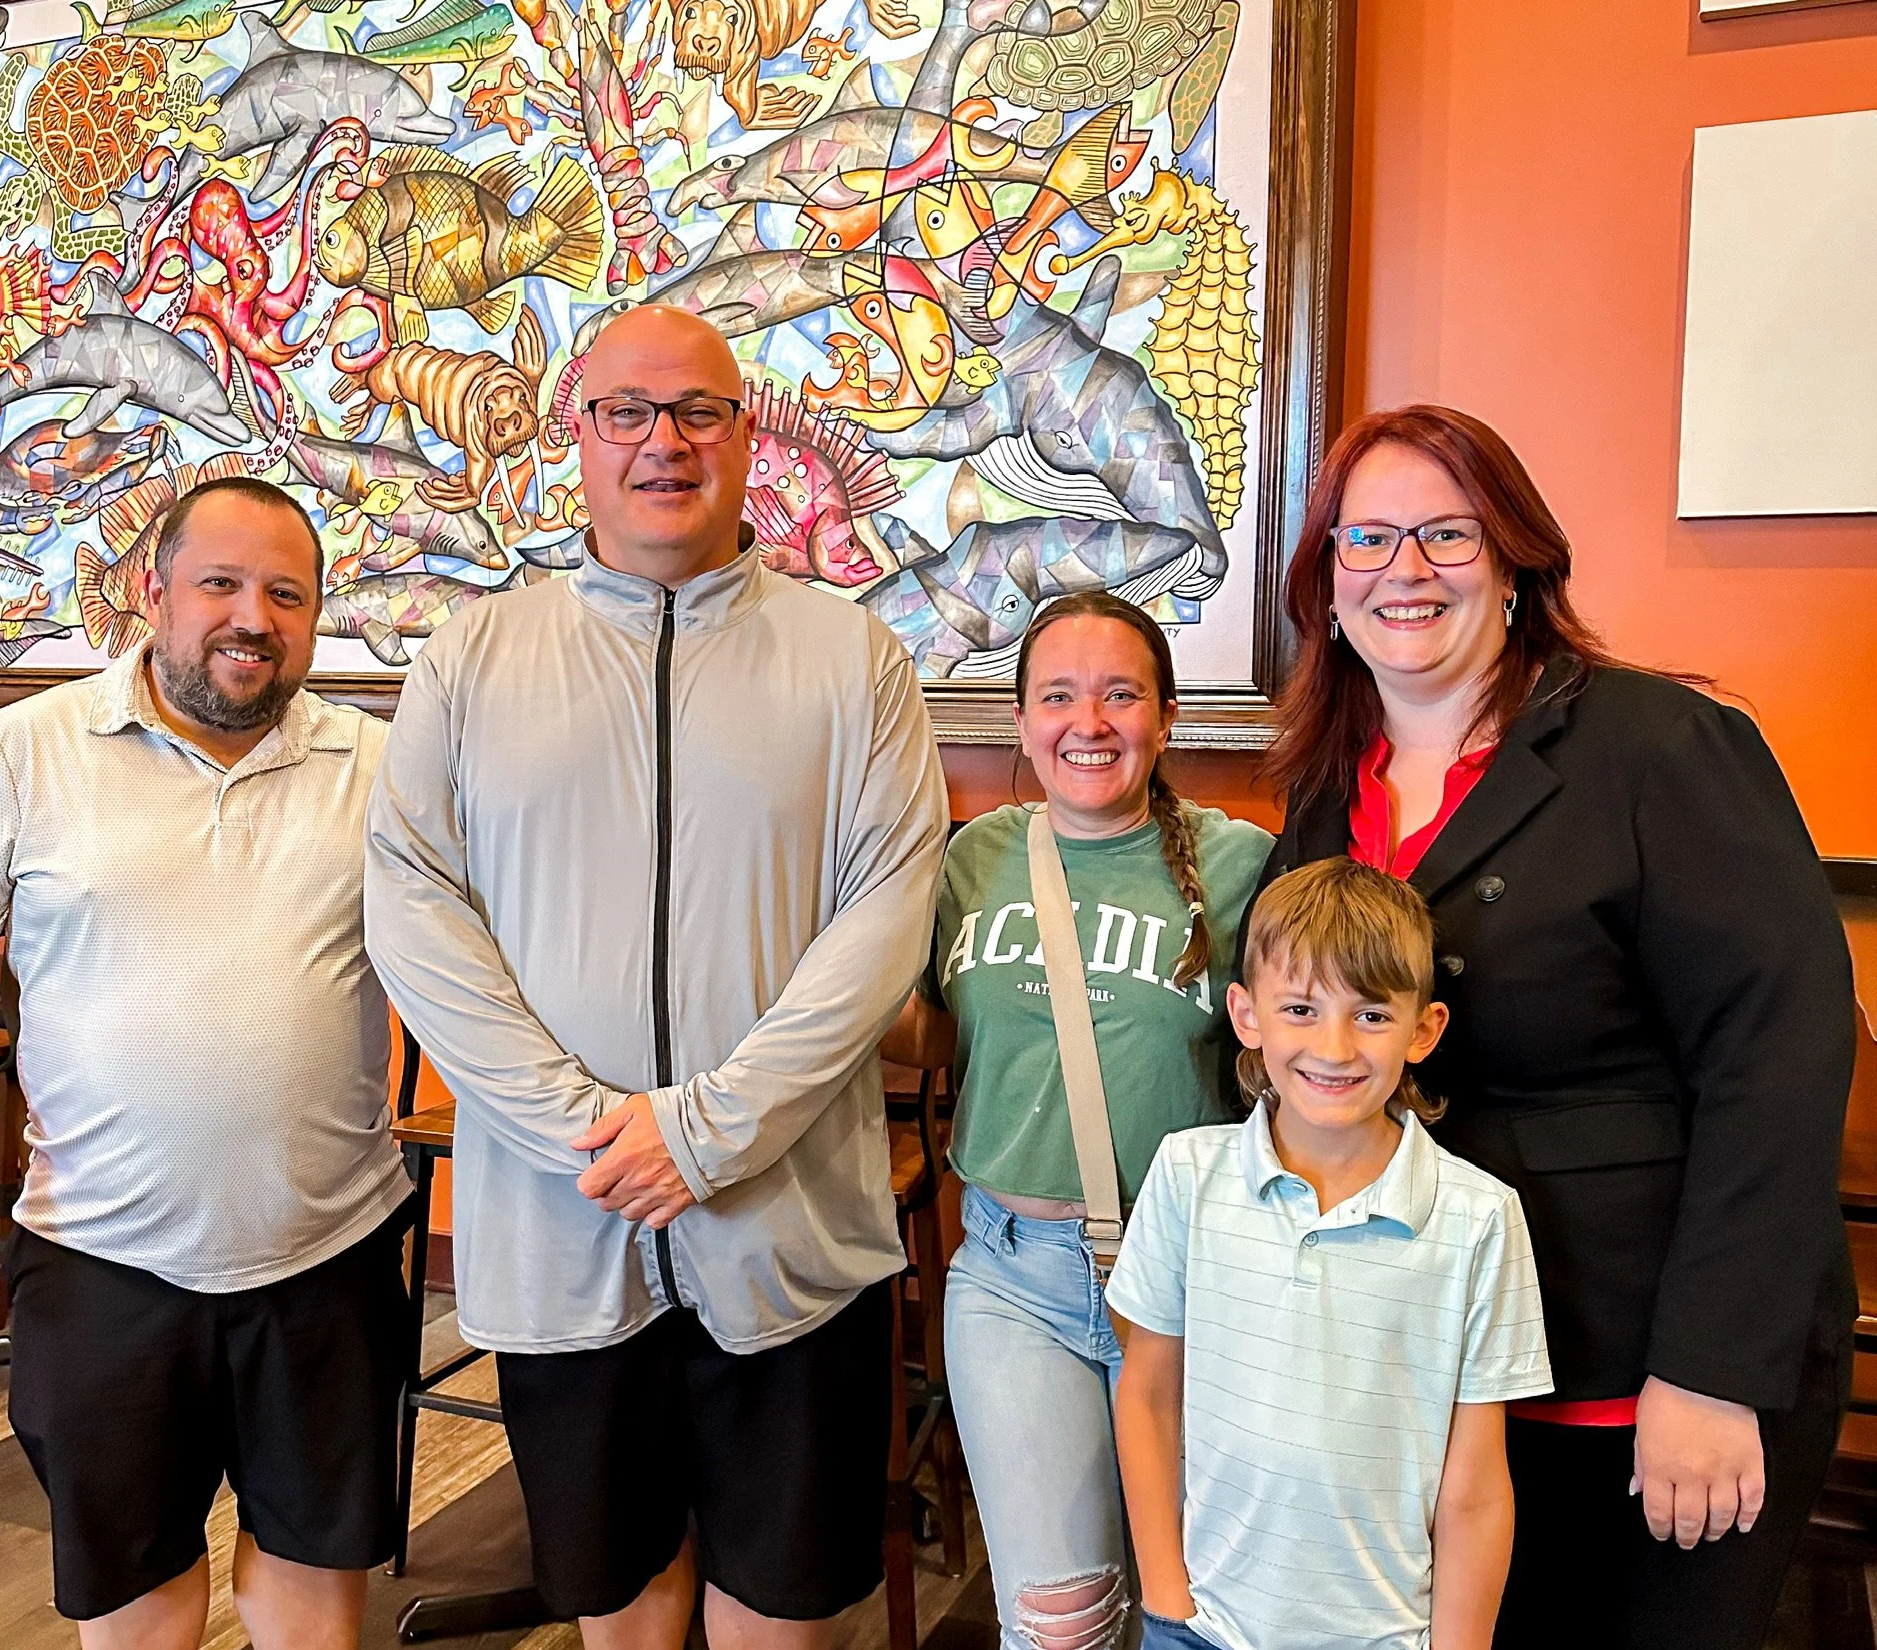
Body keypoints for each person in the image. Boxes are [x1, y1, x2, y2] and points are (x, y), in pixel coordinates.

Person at [363, 304, 948, 1650]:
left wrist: (707, 1128)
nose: (663, 442)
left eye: (698, 411)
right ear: (578, 432)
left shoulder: (852, 658)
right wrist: (588, 1124)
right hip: (568, 1227)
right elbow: (411, 899)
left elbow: (886, 913)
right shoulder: (475, 656)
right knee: (616, 1601)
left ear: (748, 439)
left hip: (790, 1230)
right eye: (627, 411)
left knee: (783, 1610)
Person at [1254, 404, 1857, 1648]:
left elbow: (1779, 1057)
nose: (1401, 571)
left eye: (1446, 535)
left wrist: (1710, 1373)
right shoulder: (1323, 788)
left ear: (1520, 563)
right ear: (1323, 585)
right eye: (1362, 540)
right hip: (1432, 1369)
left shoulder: (1660, 748)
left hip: (1644, 1369)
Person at [0, 477, 413, 1650]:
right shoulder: (17, 754)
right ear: (150, 593)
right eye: (219, 583)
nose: (251, 618)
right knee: (137, 1606)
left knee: (314, 1595)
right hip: (99, 1255)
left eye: (286, 594)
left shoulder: (381, 769)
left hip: (329, 1254)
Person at [882, 591, 1272, 1650]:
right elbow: (929, 1032)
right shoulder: (971, 861)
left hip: (1192, 1283)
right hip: (1011, 1277)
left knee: (1196, 1612)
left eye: (1118, 695)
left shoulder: (1240, 865)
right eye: (1056, 696)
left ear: (1164, 714)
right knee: (1058, 1623)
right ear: (1019, 721)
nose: (1086, 723)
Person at [1111, 857, 1551, 1650]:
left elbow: (1478, 1484)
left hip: (1387, 1635)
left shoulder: (1480, 1220)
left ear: (1424, 1029)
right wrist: (1166, 1594)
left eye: (1373, 1016)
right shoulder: (1186, 1176)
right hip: (1202, 1625)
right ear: (1246, 1016)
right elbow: (1147, 1395)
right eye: (1301, 1009)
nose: (1335, 1046)